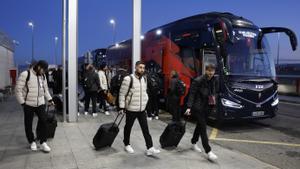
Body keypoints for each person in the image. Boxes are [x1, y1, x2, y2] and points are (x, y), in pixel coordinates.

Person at [118, 61, 160, 156]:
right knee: (128, 127)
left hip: (141, 110)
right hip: (131, 109)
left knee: (145, 129)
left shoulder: (144, 79)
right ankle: (126, 144)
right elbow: (122, 94)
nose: (142, 69)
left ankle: (150, 148)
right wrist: (121, 107)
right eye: (140, 67)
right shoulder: (128, 79)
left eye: (143, 68)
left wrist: (145, 100)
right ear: (136, 67)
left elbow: (144, 92)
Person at [15, 60, 54, 153]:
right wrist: (22, 103)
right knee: (28, 123)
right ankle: (32, 141)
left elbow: (45, 89)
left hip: (40, 103)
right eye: (43, 70)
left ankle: (43, 141)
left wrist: (50, 99)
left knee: (43, 121)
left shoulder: (43, 76)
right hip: (28, 104)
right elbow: (17, 90)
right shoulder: (26, 74)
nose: (43, 72)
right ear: (39, 67)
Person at [184, 64, 218, 161]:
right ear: (205, 71)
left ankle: (193, 143)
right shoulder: (198, 80)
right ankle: (208, 151)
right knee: (203, 128)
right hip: (198, 108)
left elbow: (214, 92)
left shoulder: (214, 80)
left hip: (208, 107)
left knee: (199, 126)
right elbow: (192, 94)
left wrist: (214, 103)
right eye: (209, 71)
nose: (211, 73)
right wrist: (189, 107)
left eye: (212, 71)